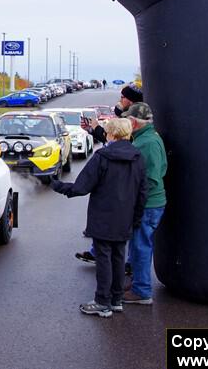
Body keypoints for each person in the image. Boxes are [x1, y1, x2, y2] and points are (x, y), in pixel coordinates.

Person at [49, 118, 147, 318]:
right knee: (119, 258)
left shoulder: (102, 157)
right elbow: (142, 192)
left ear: (111, 134)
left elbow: (81, 187)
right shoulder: (138, 158)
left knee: (103, 259)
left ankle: (102, 301)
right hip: (125, 217)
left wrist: (57, 185)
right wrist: (136, 218)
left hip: (103, 217)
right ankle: (116, 299)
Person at [120, 102, 167, 305]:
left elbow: (152, 177)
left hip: (148, 205)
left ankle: (142, 291)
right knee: (138, 244)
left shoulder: (146, 143)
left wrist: (134, 199)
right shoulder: (148, 138)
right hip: (149, 202)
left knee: (141, 246)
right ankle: (138, 282)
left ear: (133, 122)